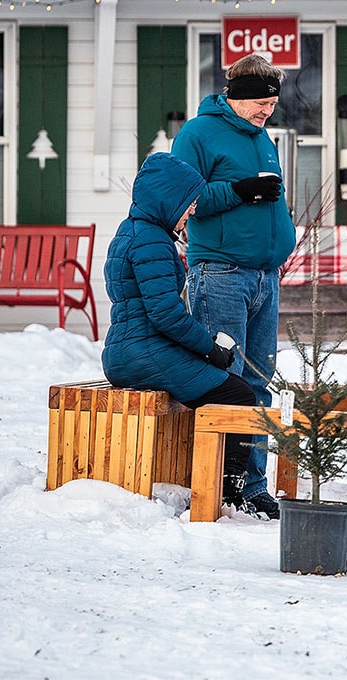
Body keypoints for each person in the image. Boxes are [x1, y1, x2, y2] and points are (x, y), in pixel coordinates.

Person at [170, 53, 297, 520]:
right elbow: (181, 197)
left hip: (265, 275)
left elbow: (271, 196)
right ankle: (220, 479)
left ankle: (253, 483)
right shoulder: (198, 135)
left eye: (272, 102)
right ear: (237, 98)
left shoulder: (263, 137)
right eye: (261, 103)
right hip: (221, 273)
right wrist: (239, 192)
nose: (268, 111)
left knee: (259, 380)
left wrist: (282, 233)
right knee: (227, 382)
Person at [100, 152, 259, 513]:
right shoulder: (151, 240)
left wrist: (206, 351)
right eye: (190, 203)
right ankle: (229, 493)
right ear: (169, 198)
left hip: (132, 348)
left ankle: (213, 480)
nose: (192, 211)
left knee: (223, 386)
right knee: (237, 394)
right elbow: (165, 314)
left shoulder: (137, 231)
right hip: (141, 351)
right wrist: (209, 349)